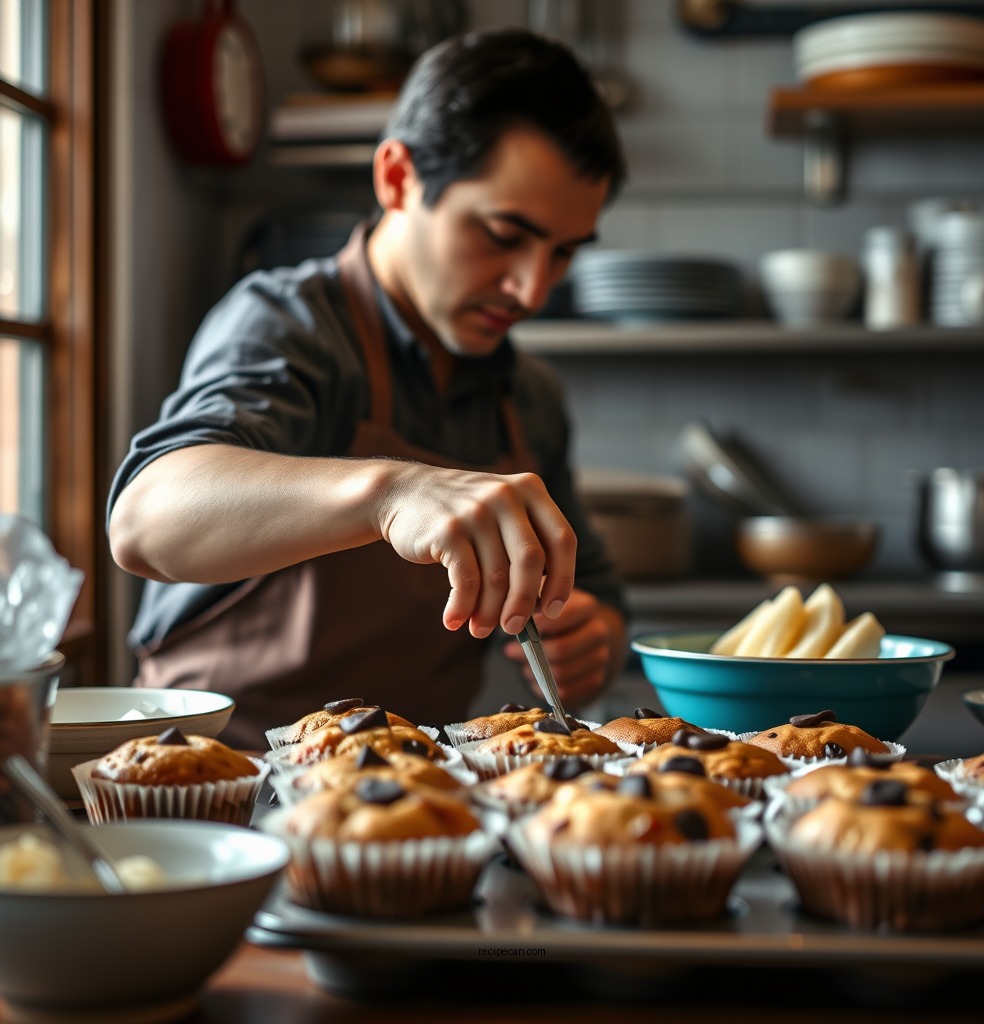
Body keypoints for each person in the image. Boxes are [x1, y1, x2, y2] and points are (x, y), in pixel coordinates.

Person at [107, 27, 630, 749]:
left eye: (563, 253)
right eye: (505, 235)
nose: (531, 289)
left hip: (419, 810)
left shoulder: (527, 396)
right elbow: (145, 519)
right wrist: (393, 494)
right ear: (397, 178)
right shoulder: (288, 326)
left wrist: (593, 633)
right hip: (227, 793)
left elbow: (597, 590)